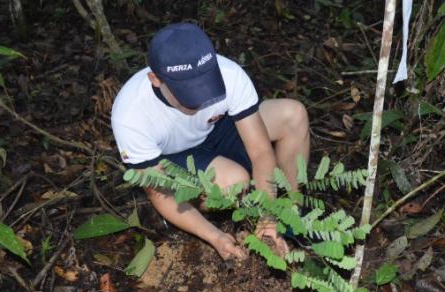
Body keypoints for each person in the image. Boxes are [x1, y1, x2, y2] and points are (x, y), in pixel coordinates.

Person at [111, 23, 309, 261]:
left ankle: (291, 214)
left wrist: (270, 215)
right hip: (175, 155)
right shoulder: (131, 115)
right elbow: (159, 192)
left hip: (217, 127)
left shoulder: (229, 74)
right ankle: (213, 213)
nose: (201, 97)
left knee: (293, 115)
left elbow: (259, 150)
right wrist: (215, 237)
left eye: (205, 83)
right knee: (233, 183)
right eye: (187, 91)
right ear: (155, 79)